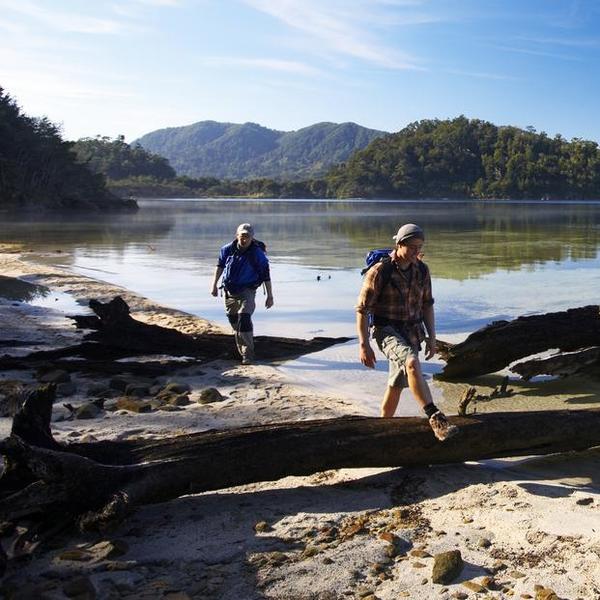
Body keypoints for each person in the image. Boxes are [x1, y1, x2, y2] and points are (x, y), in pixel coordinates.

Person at [356, 223, 459, 441]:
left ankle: (381, 430)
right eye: (412, 247)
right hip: (386, 330)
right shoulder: (380, 272)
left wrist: (432, 338)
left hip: (412, 332)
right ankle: (435, 418)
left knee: (396, 385)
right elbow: (363, 310)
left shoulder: (422, 270)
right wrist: (364, 344)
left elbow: (427, 305)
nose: (416, 252)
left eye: (420, 247)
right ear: (399, 244)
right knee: (411, 363)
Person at [211, 223, 274, 364]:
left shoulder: (257, 254)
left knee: (244, 318)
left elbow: (266, 276)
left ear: (252, 237)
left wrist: (270, 296)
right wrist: (214, 285)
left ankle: (248, 355)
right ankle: (242, 349)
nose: (244, 239)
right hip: (228, 290)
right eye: (242, 236)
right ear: (237, 235)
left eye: (247, 236)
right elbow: (220, 266)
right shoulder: (227, 249)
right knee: (234, 323)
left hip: (247, 290)